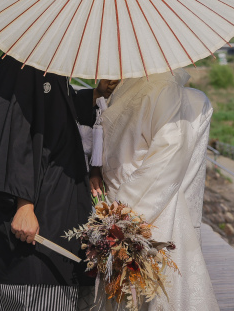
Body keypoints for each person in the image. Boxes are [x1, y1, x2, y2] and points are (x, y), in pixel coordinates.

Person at [0, 54, 117, 311]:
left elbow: (57, 114)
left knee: (51, 284)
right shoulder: (21, 63)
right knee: (31, 286)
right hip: (35, 205)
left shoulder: (49, 65)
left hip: (55, 199)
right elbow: (14, 135)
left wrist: (95, 94)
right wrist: (23, 204)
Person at [90, 69, 219, 311]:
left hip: (149, 207)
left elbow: (168, 153)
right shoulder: (123, 85)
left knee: (153, 290)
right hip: (117, 205)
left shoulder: (163, 85)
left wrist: (126, 213)